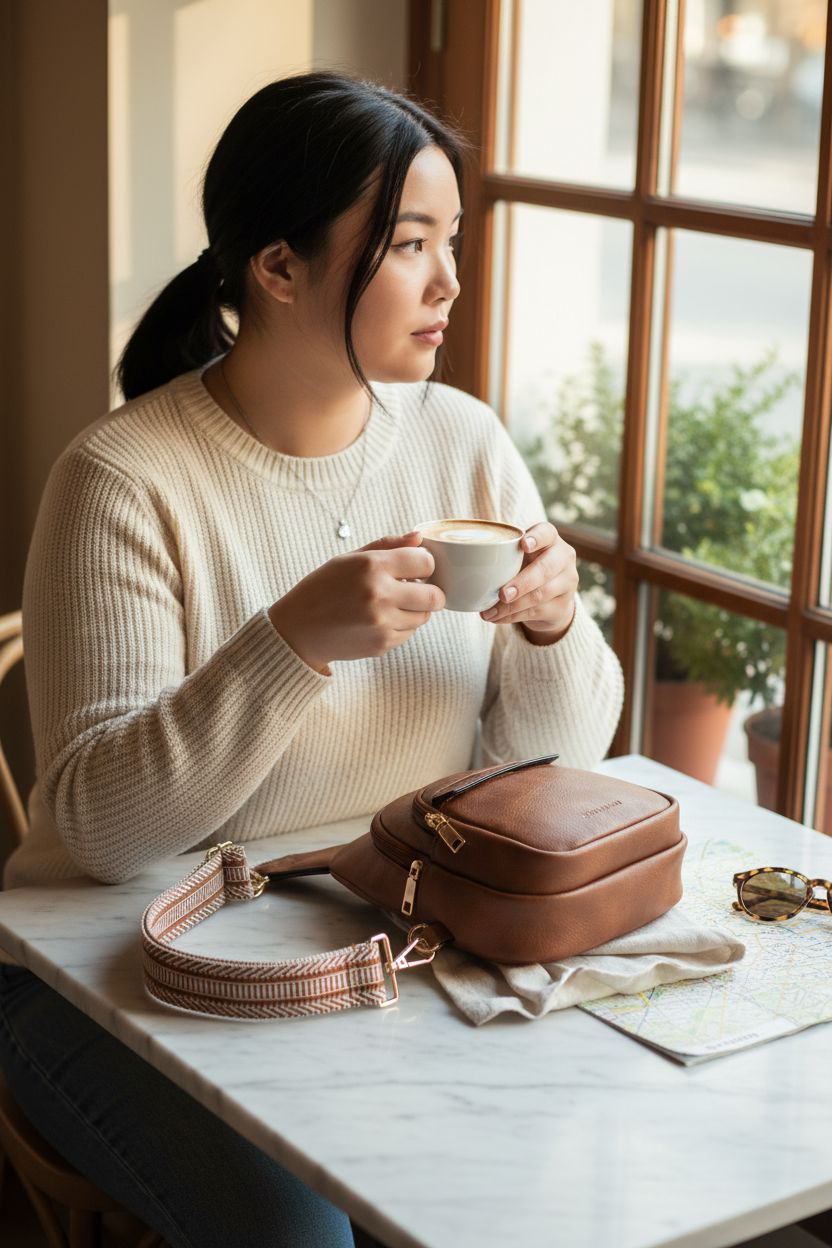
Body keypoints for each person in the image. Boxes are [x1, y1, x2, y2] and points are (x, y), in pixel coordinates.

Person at [0, 72, 623, 1246]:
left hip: (372, 937)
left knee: (559, 1177)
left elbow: (551, 764)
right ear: (278, 268)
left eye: (453, 241)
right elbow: (97, 832)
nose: (450, 282)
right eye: (407, 246)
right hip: (110, 970)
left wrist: (549, 624)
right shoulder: (124, 480)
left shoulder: (460, 438)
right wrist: (290, 645)